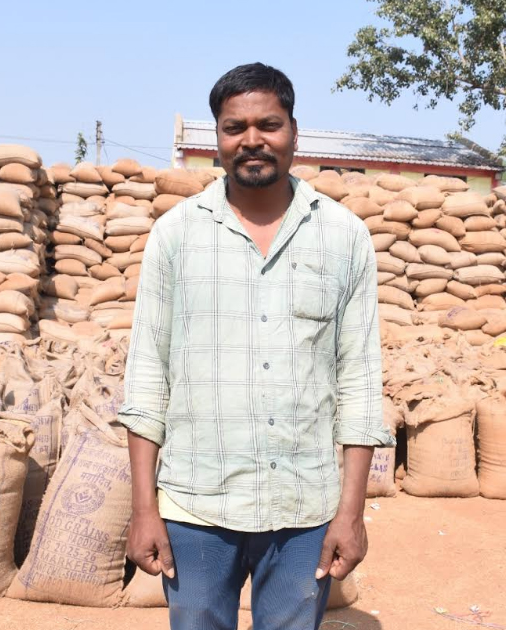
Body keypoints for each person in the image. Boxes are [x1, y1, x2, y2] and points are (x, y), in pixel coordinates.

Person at [119, 62, 394, 630]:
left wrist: (351, 513)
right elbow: (146, 376)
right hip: (196, 502)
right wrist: (144, 508)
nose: (251, 139)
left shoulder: (343, 236)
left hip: (305, 507)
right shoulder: (177, 235)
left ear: (294, 131)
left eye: (268, 124)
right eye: (233, 127)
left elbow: (360, 382)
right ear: (217, 138)